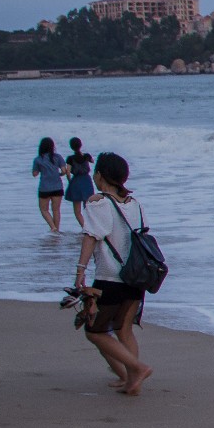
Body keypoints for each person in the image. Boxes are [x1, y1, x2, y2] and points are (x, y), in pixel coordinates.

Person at [73, 152, 152, 396]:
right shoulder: (134, 203)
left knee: (94, 331)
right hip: (136, 277)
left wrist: (80, 271)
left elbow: (91, 236)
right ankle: (130, 379)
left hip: (110, 277)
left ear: (100, 175)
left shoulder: (99, 202)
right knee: (123, 329)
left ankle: (136, 369)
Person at [31, 137, 66, 233]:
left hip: (44, 188)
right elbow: (64, 171)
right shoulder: (58, 157)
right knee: (56, 210)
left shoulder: (38, 159)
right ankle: (57, 229)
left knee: (44, 210)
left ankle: (52, 227)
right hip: (58, 187)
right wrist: (59, 174)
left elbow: (35, 174)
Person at [62, 137, 94, 228]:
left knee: (77, 211)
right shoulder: (86, 156)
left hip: (76, 181)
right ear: (81, 145)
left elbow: (68, 172)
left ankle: (85, 228)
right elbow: (92, 161)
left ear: (71, 147)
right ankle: (92, 226)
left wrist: (69, 181)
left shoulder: (70, 158)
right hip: (87, 181)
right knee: (88, 207)